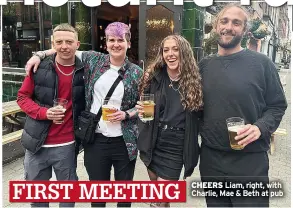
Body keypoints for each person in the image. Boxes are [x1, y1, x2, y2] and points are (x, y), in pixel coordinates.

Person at [25, 22, 143, 207]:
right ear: (106, 43)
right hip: (96, 140)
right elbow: (64, 49)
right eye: (111, 40)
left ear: (128, 42)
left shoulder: (137, 73)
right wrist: (38, 55)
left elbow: (143, 106)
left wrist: (127, 114)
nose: (116, 44)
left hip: (125, 141)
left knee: (124, 195)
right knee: (97, 195)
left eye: (121, 40)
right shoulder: (94, 60)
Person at [198, 4, 287, 207]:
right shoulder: (204, 66)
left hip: (250, 161)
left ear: (245, 30)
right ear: (215, 25)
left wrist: (259, 127)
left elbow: (277, 105)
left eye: (236, 23)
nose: (229, 27)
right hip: (211, 160)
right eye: (224, 21)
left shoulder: (262, 64)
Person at [17, 23, 85, 207]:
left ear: (77, 44)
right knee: (38, 199)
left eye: (69, 42)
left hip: (67, 145)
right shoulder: (39, 68)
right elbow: (22, 98)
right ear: (52, 44)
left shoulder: (86, 70)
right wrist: (44, 113)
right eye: (59, 41)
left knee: (67, 198)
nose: (64, 46)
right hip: (36, 145)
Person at [137, 34, 203, 207]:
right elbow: (145, 105)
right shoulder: (154, 76)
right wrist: (142, 111)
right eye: (166, 50)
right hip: (153, 140)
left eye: (175, 49)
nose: (170, 54)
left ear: (185, 52)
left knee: (160, 198)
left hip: (176, 145)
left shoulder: (196, 80)